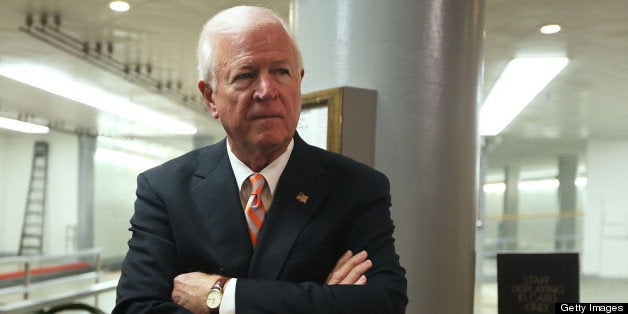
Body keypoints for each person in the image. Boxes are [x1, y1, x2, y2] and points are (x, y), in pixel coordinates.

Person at [113, 5, 407, 314]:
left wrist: (224, 296)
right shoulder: (165, 189)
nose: (267, 91)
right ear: (210, 97)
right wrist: (322, 300)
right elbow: (135, 309)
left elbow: (383, 303)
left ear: (299, 80)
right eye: (246, 75)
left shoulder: (356, 188)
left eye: (282, 72)